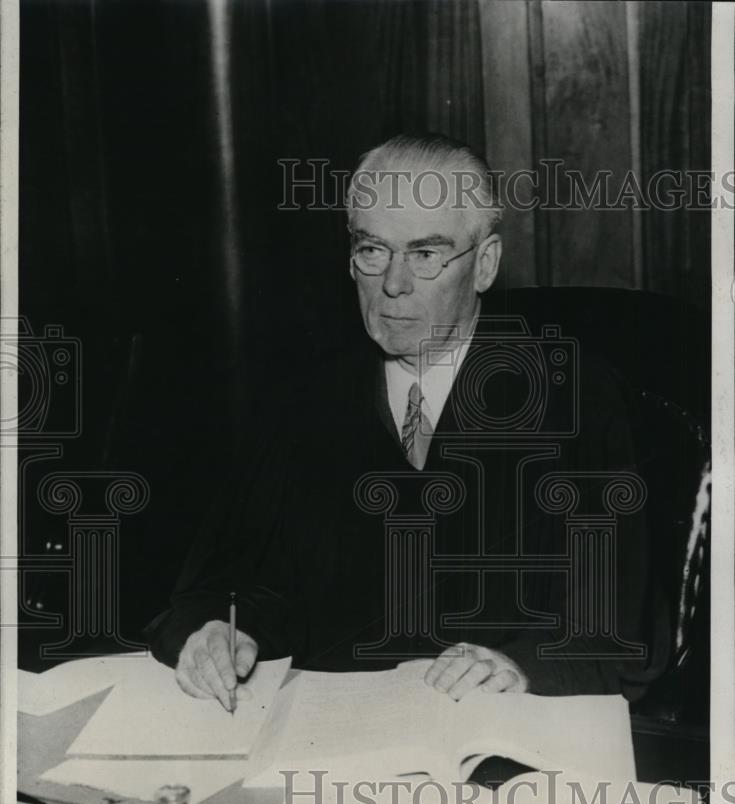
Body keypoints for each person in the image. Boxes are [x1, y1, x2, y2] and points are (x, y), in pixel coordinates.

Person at [146, 134, 654, 710]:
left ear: (484, 264)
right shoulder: (302, 404)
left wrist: (520, 667)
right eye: (373, 250)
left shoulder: (573, 397)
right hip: (326, 736)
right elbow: (242, 582)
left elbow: (615, 625)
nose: (394, 283)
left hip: (494, 741)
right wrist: (220, 629)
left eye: (426, 253)